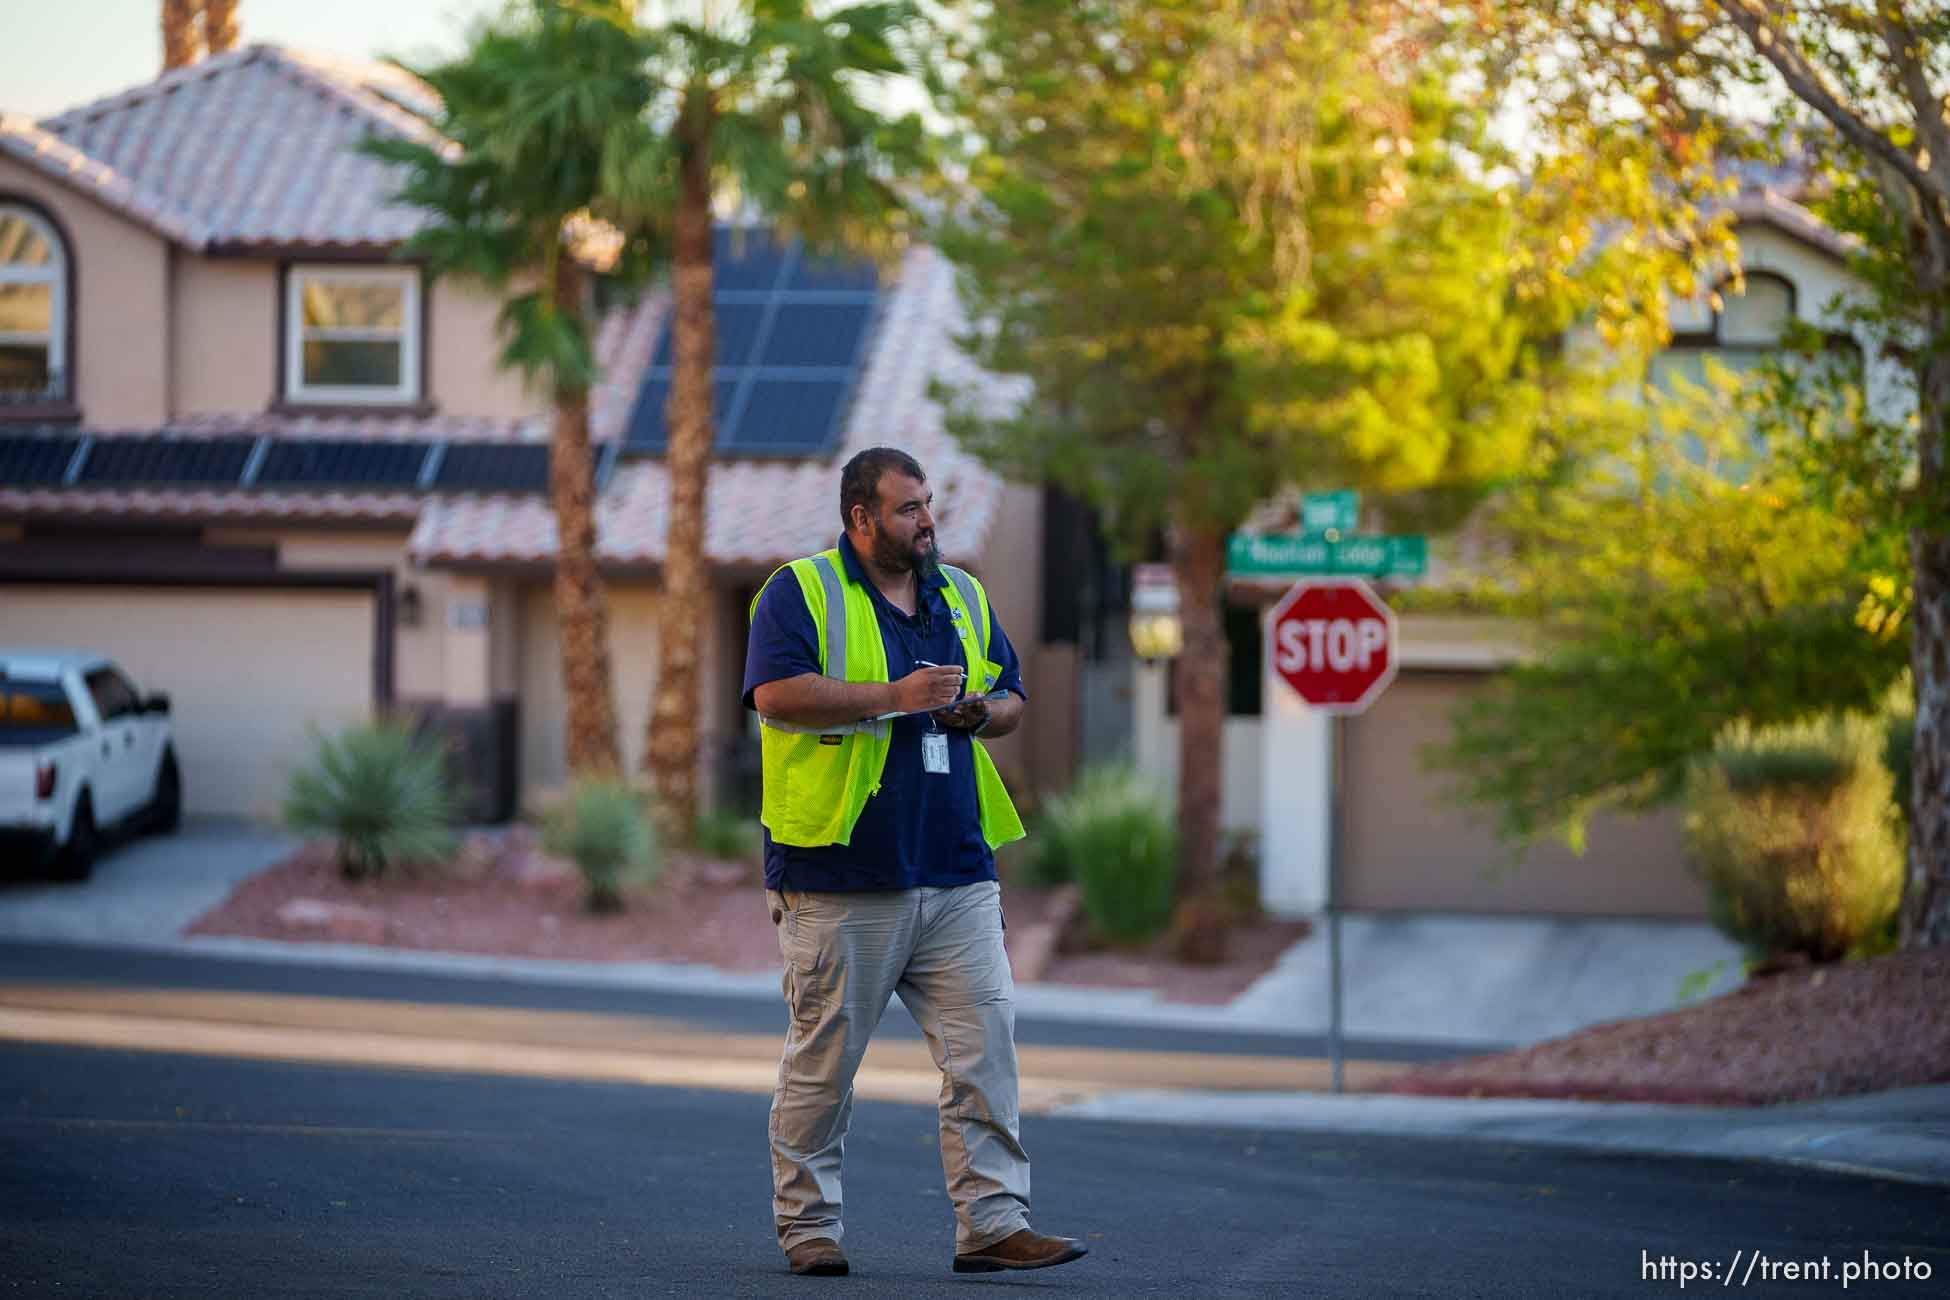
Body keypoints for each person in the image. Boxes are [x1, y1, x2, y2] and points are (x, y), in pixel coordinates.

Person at [743, 446, 1089, 1278]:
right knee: (824, 1066)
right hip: (837, 874)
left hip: (957, 870)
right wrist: (892, 699)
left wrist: (980, 711)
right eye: (907, 509)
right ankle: (809, 1228)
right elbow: (775, 695)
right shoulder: (802, 590)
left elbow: (1011, 696)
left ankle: (994, 1222)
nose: (926, 520)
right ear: (860, 518)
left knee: (986, 1048)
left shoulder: (961, 592)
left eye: (928, 503)